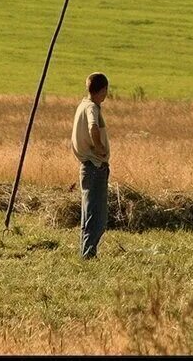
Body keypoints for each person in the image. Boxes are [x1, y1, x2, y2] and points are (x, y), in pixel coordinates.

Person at [71, 72, 111, 259]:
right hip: (95, 166)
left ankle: (86, 251)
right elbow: (93, 127)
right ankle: (88, 253)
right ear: (102, 90)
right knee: (97, 214)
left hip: (87, 166)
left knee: (89, 211)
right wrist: (100, 148)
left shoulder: (82, 105)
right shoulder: (92, 108)